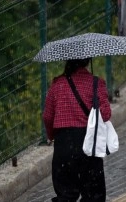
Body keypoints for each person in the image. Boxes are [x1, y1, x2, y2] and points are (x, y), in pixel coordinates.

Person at [43, 58, 111, 202]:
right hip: (88, 144)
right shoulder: (96, 83)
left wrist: (52, 136)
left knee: (65, 195)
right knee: (93, 194)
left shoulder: (57, 84)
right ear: (87, 61)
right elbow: (105, 114)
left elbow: (48, 117)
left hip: (63, 147)